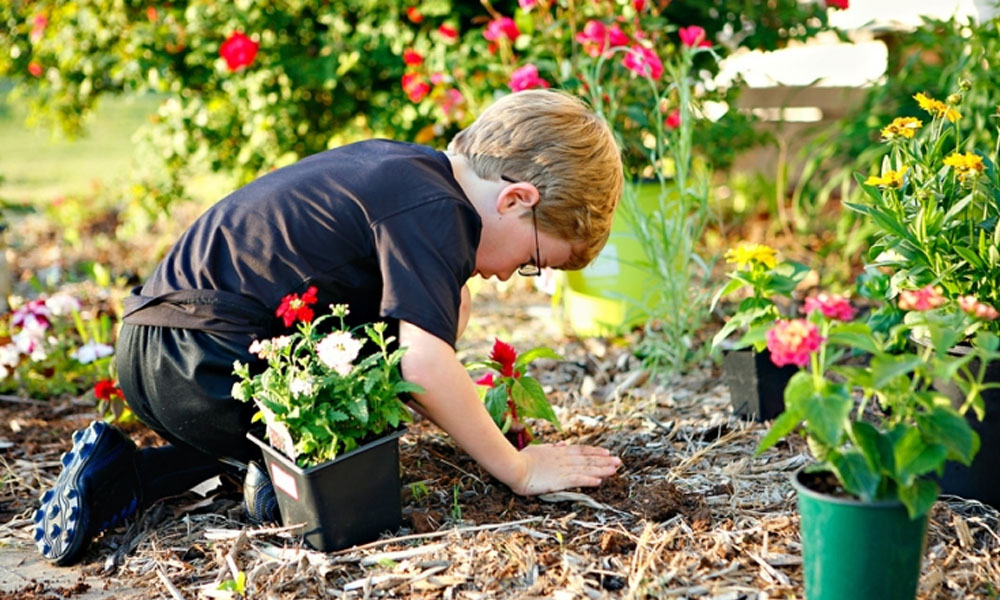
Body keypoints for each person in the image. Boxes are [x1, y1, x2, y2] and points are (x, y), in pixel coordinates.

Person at [34, 89, 625, 565]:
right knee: (350, 492)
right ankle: (288, 487)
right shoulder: (438, 214)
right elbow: (421, 366)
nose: (512, 275)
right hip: (208, 359)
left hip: (158, 351)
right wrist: (517, 467)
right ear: (516, 199)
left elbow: (412, 352)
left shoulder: (404, 168)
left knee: (443, 315)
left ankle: (122, 476)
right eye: (532, 261)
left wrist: (468, 421)